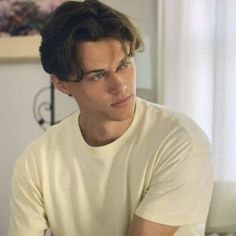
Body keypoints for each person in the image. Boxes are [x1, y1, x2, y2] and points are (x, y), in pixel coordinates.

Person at [7, 0, 213, 235]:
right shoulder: (36, 160)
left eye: (124, 64)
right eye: (98, 75)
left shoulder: (180, 139)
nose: (120, 86)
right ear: (62, 84)